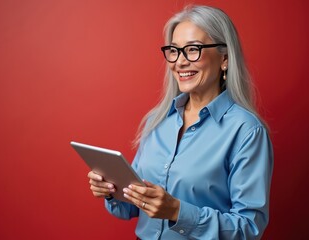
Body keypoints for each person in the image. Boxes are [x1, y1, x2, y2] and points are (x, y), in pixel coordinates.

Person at [88, 5, 273, 239]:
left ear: (224, 59)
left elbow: (249, 228)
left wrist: (177, 211)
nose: (180, 62)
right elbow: (132, 207)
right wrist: (112, 191)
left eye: (193, 49)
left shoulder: (246, 131)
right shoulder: (157, 121)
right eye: (174, 51)